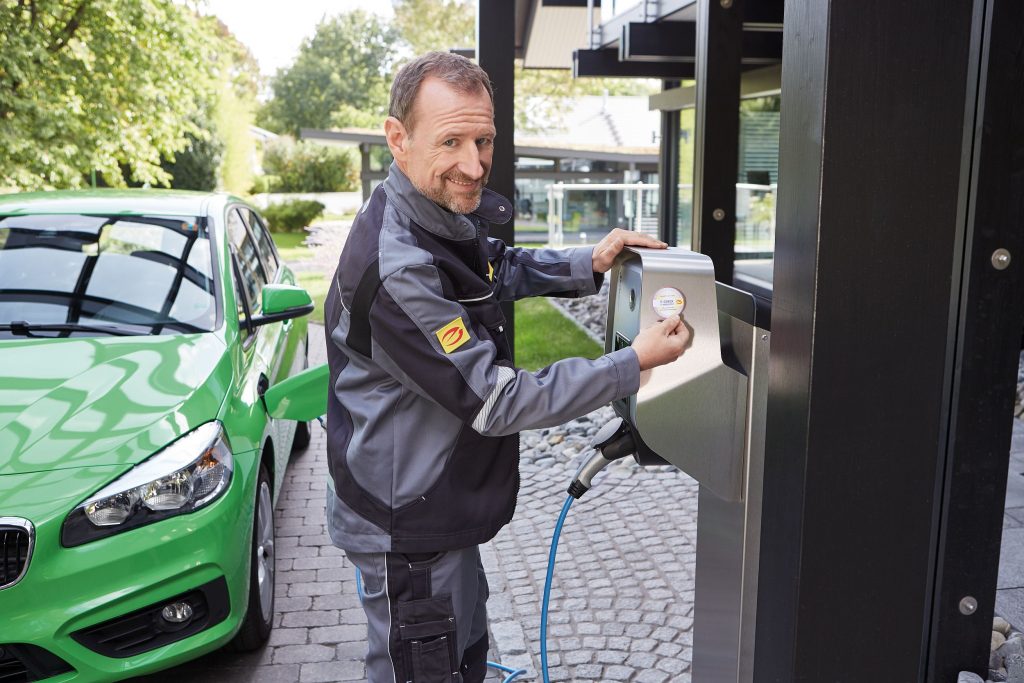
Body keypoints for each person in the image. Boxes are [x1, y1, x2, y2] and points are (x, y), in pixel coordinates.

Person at [323, 51, 690, 683]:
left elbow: (493, 268)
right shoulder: (399, 268)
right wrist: (631, 364)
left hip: (434, 504)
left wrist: (589, 263)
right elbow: (496, 400)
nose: (474, 166)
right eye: (451, 142)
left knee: (465, 656)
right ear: (397, 138)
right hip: (407, 525)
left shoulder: (428, 211)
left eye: (483, 141)